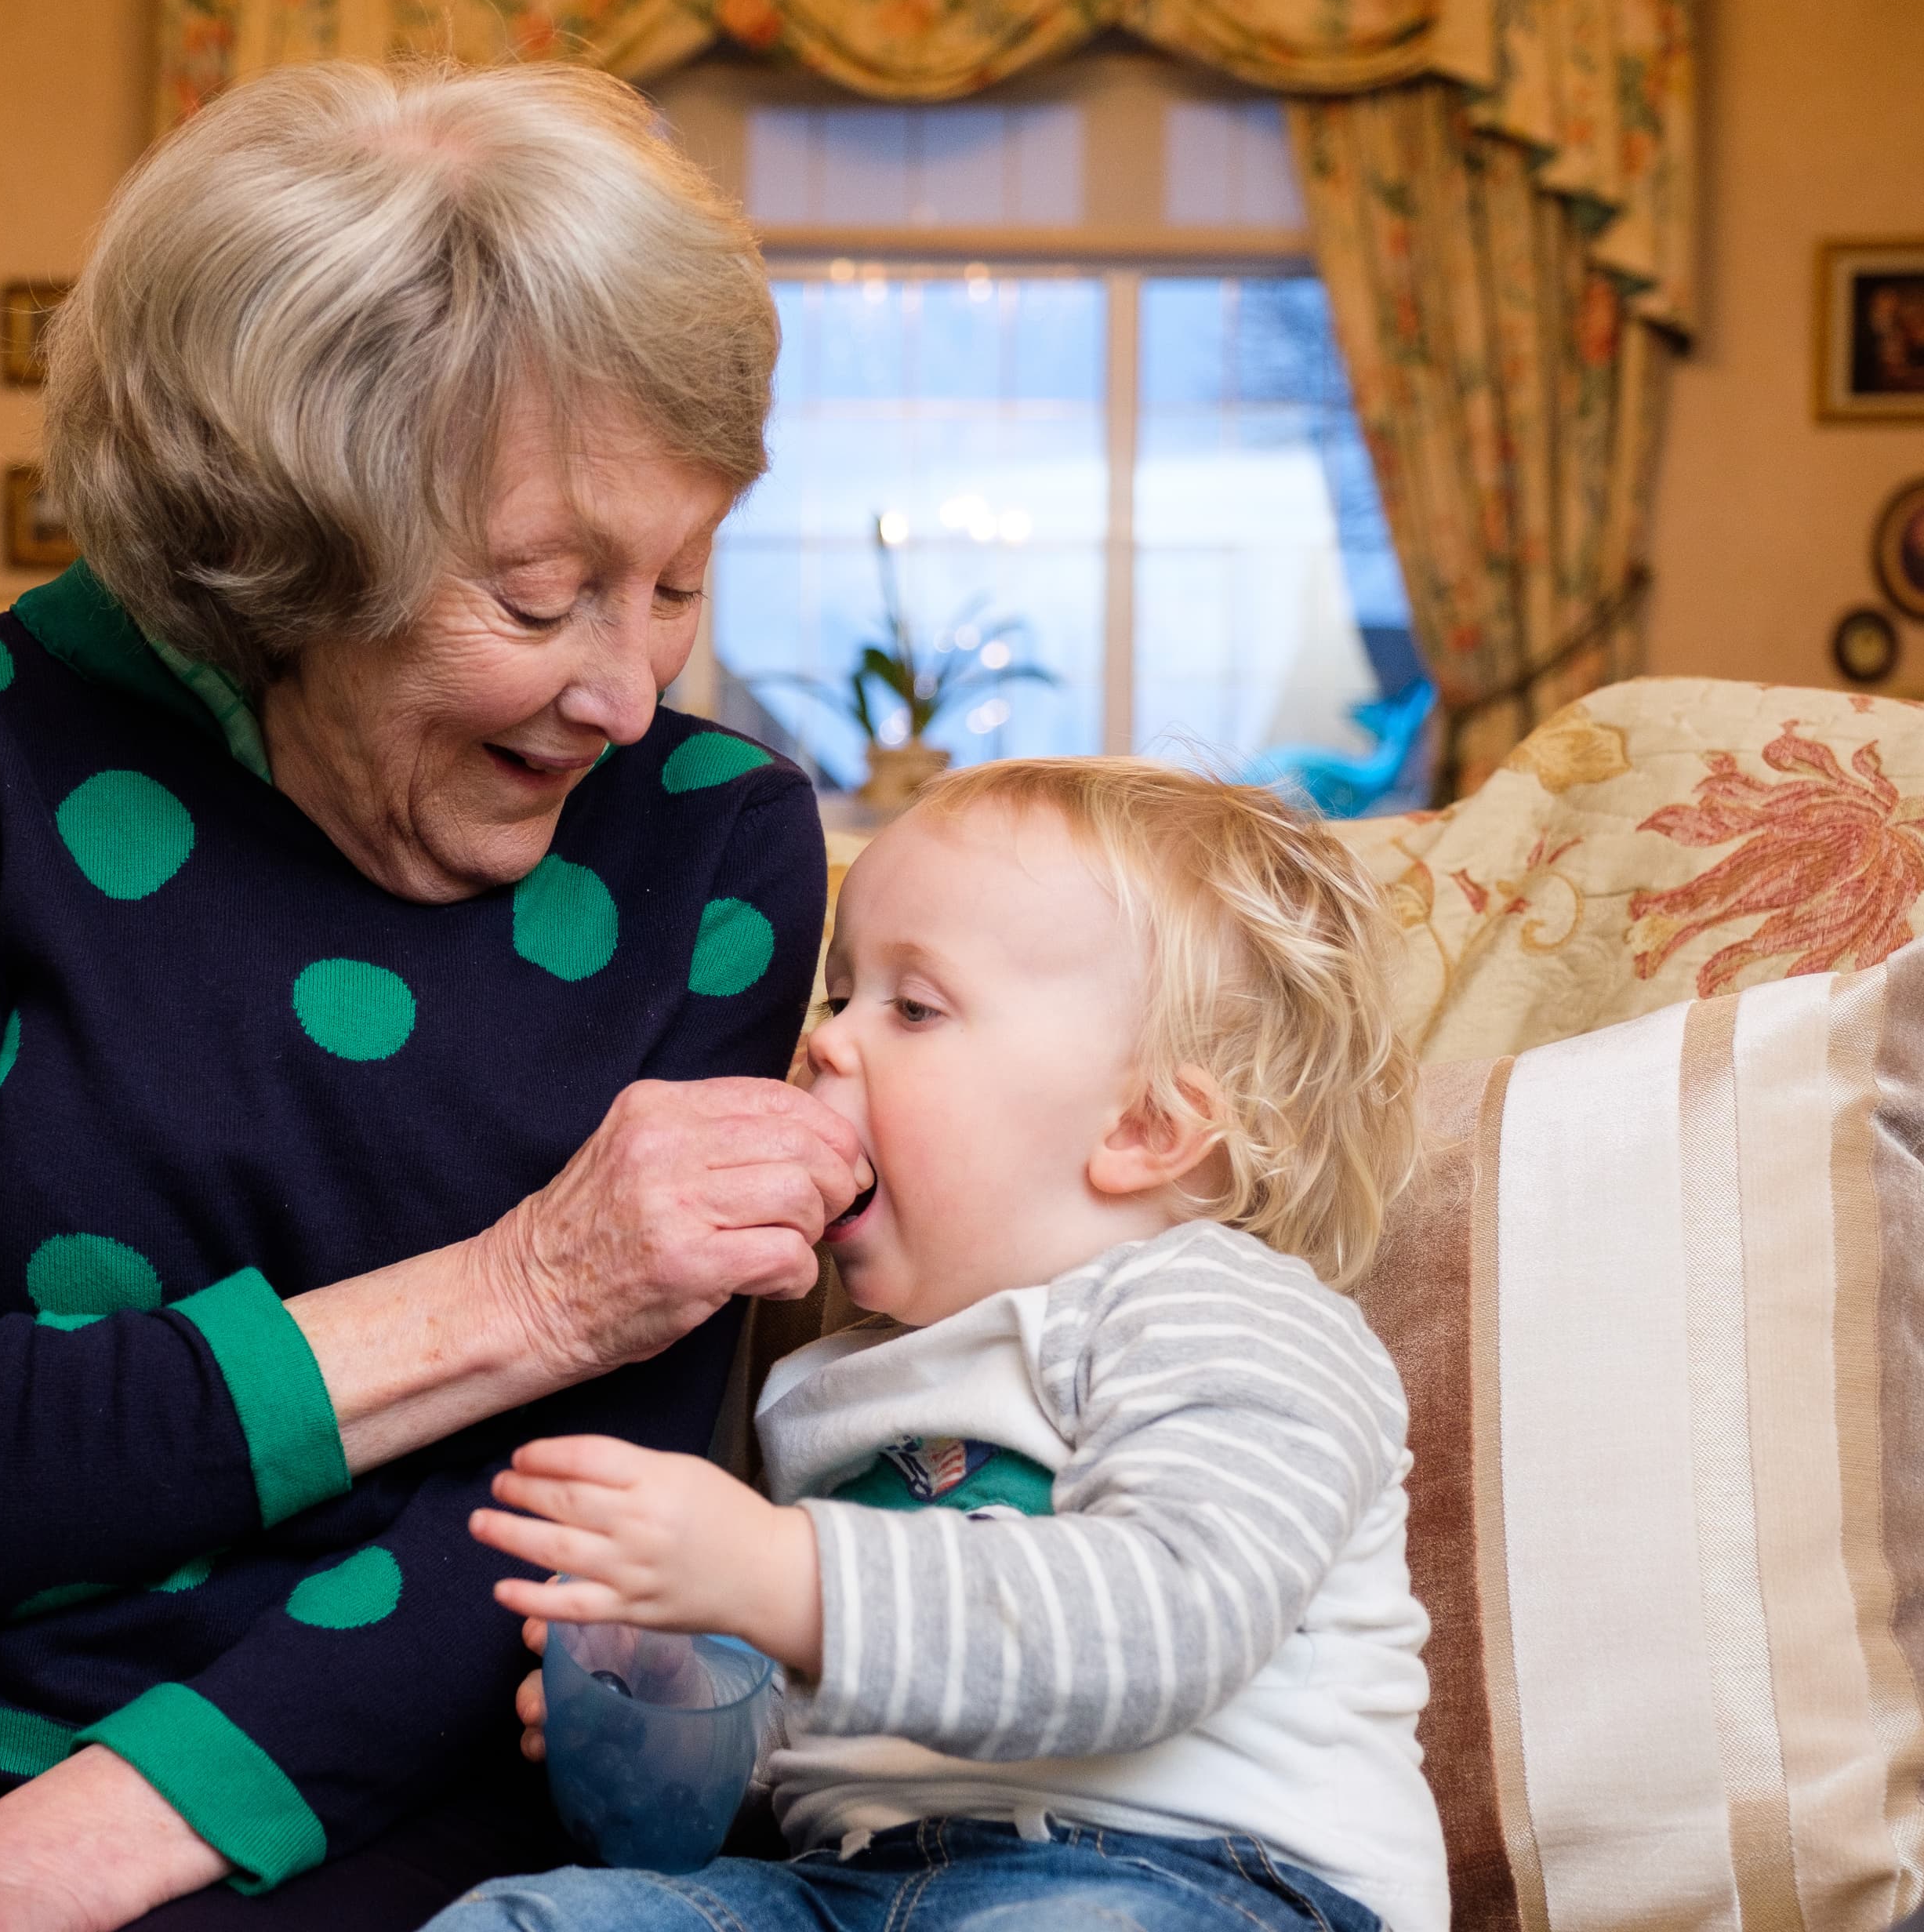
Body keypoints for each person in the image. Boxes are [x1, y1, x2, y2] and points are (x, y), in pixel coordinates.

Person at [0, 58, 867, 1932]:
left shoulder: (712, 845)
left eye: (679, 576)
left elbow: (585, 1531)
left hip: (379, 1746)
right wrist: (521, 1289)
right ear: (285, 551)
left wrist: (36, 1868)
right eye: (540, 603)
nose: (629, 690)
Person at [433, 758, 1449, 1932]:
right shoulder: (828, 1377)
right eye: (838, 996)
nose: (827, 1046)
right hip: (845, 1887)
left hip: (1196, 1882)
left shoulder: (1221, 1309)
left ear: (1147, 1129)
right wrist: (684, 1699)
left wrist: (779, 1573)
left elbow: (1178, 1612)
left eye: (913, 1009)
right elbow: (829, 1726)